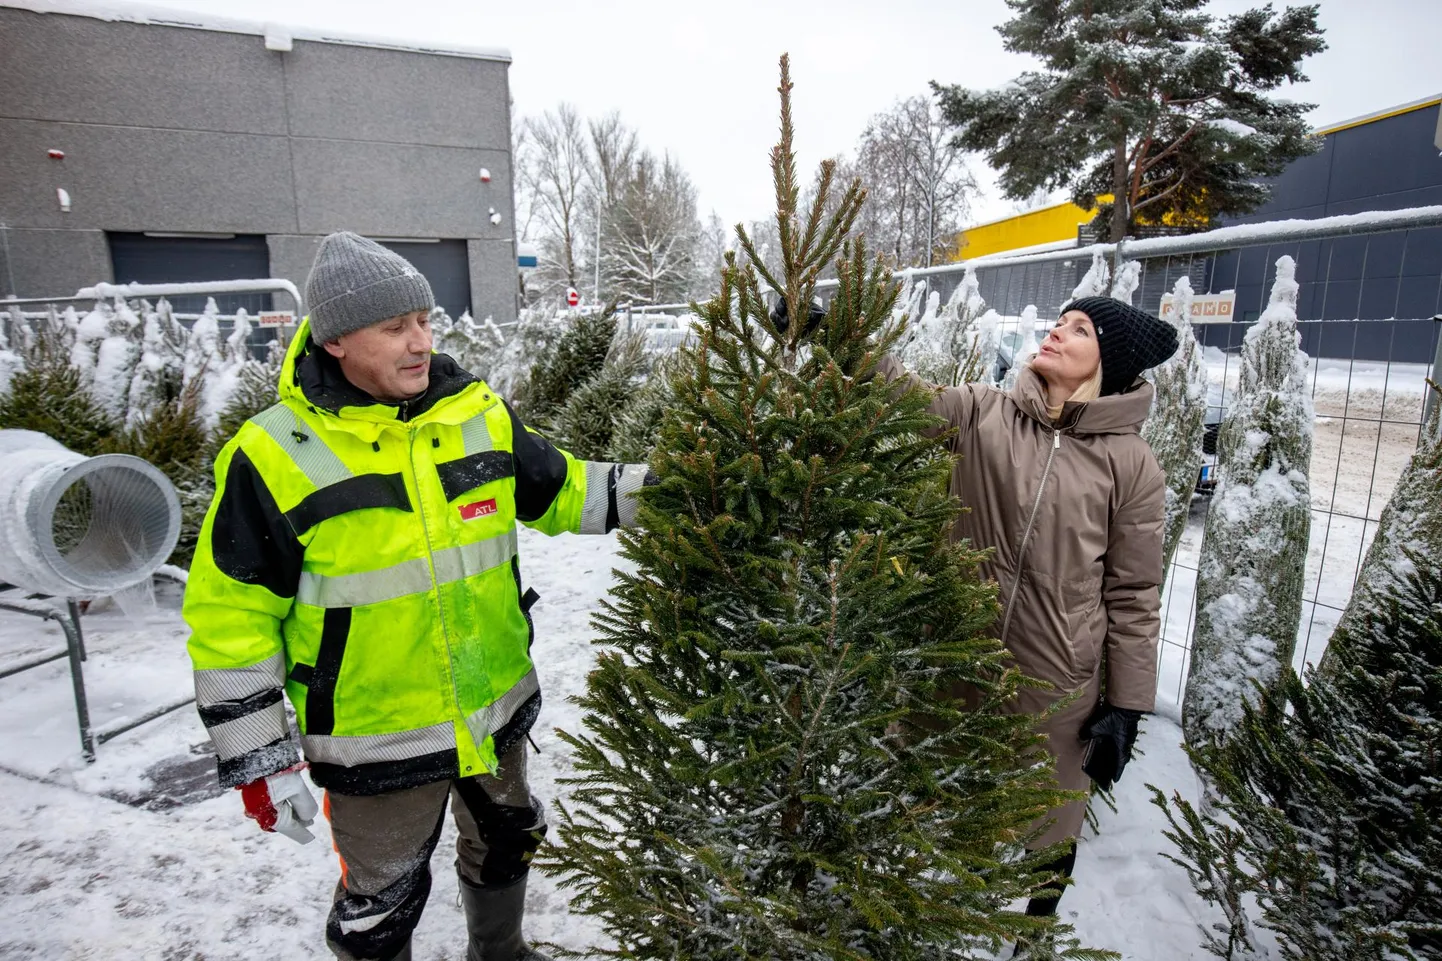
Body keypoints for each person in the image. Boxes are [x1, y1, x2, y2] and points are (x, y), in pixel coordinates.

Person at [184, 232, 651, 961]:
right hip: (376, 736)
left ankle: (500, 952)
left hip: (491, 707)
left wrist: (673, 487)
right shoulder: (273, 454)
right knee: (382, 903)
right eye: (395, 327)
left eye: (425, 322)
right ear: (336, 339)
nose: (419, 343)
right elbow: (231, 617)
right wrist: (258, 755)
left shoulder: (476, 415)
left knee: (507, 838)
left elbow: (564, 490)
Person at [877, 295, 1179, 923]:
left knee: (1049, 817)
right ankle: (907, 912)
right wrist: (845, 336)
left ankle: (1034, 930)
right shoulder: (983, 412)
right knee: (921, 784)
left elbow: (1133, 591)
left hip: (1056, 674)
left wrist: (1126, 704)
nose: (1056, 334)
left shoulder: (1132, 464)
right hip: (957, 646)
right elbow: (902, 400)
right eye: (1058, 322)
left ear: (1109, 361)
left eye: (1079, 329)